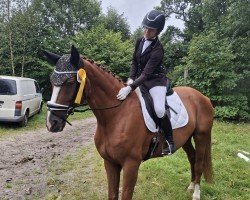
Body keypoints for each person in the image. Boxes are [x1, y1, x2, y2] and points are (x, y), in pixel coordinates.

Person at [117, 10, 175, 155]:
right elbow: (134, 62)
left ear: (158, 31)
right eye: (145, 27)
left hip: (155, 81)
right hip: (139, 80)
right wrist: (130, 78)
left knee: (159, 110)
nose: (147, 31)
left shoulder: (158, 50)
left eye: (151, 29)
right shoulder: (139, 40)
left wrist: (130, 87)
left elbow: (146, 73)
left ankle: (169, 140)